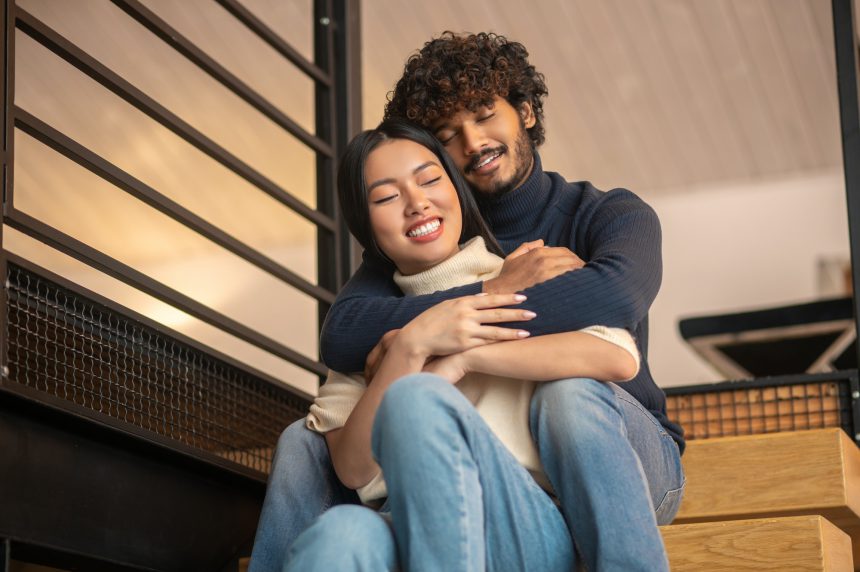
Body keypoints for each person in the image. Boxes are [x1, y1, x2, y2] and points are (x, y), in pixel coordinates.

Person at [250, 32, 685, 572]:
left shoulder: (604, 214)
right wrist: (470, 306)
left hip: (625, 453)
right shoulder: (415, 249)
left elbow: (613, 298)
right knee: (307, 447)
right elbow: (344, 334)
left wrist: (459, 347)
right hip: (482, 476)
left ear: (524, 111)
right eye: (448, 134)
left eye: (484, 115)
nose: (473, 141)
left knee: (566, 395)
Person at [284, 119, 641, 570]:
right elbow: (354, 470)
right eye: (387, 197)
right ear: (366, 226)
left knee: (417, 399)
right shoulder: (372, 330)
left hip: (520, 514)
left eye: (430, 180)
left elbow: (616, 356)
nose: (416, 203)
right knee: (339, 534)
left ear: (456, 191)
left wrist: (462, 355)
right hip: (405, 524)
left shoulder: (521, 273)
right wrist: (410, 347)